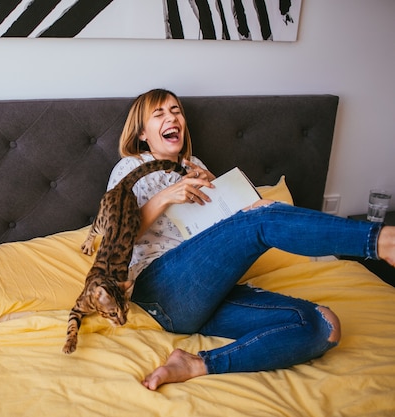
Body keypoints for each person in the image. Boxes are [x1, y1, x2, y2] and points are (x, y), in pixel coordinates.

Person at [107, 88, 395, 391]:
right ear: (142, 132)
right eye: (160, 113)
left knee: (324, 326)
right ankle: (380, 241)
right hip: (160, 288)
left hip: (206, 294)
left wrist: (222, 192)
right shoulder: (131, 166)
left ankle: (196, 364)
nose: (173, 117)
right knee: (262, 217)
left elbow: (226, 233)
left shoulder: (196, 166)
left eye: (176, 110)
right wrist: (167, 196)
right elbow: (114, 237)